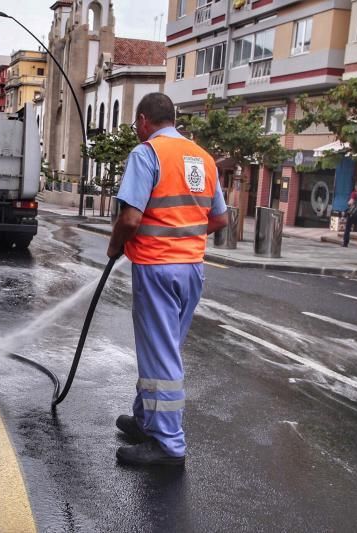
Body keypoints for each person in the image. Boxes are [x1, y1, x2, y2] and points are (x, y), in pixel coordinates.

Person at [107, 93, 228, 467]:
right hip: (190, 269)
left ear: (144, 121)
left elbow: (129, 219)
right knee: (164, 348)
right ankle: (146, 420)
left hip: (157, 268)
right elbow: (220, 219)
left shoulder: (147, 154)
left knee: (161, 355)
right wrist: (181, 236)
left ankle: (169, 444)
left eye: (136, 125)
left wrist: (114, 249)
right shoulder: (203, 158)